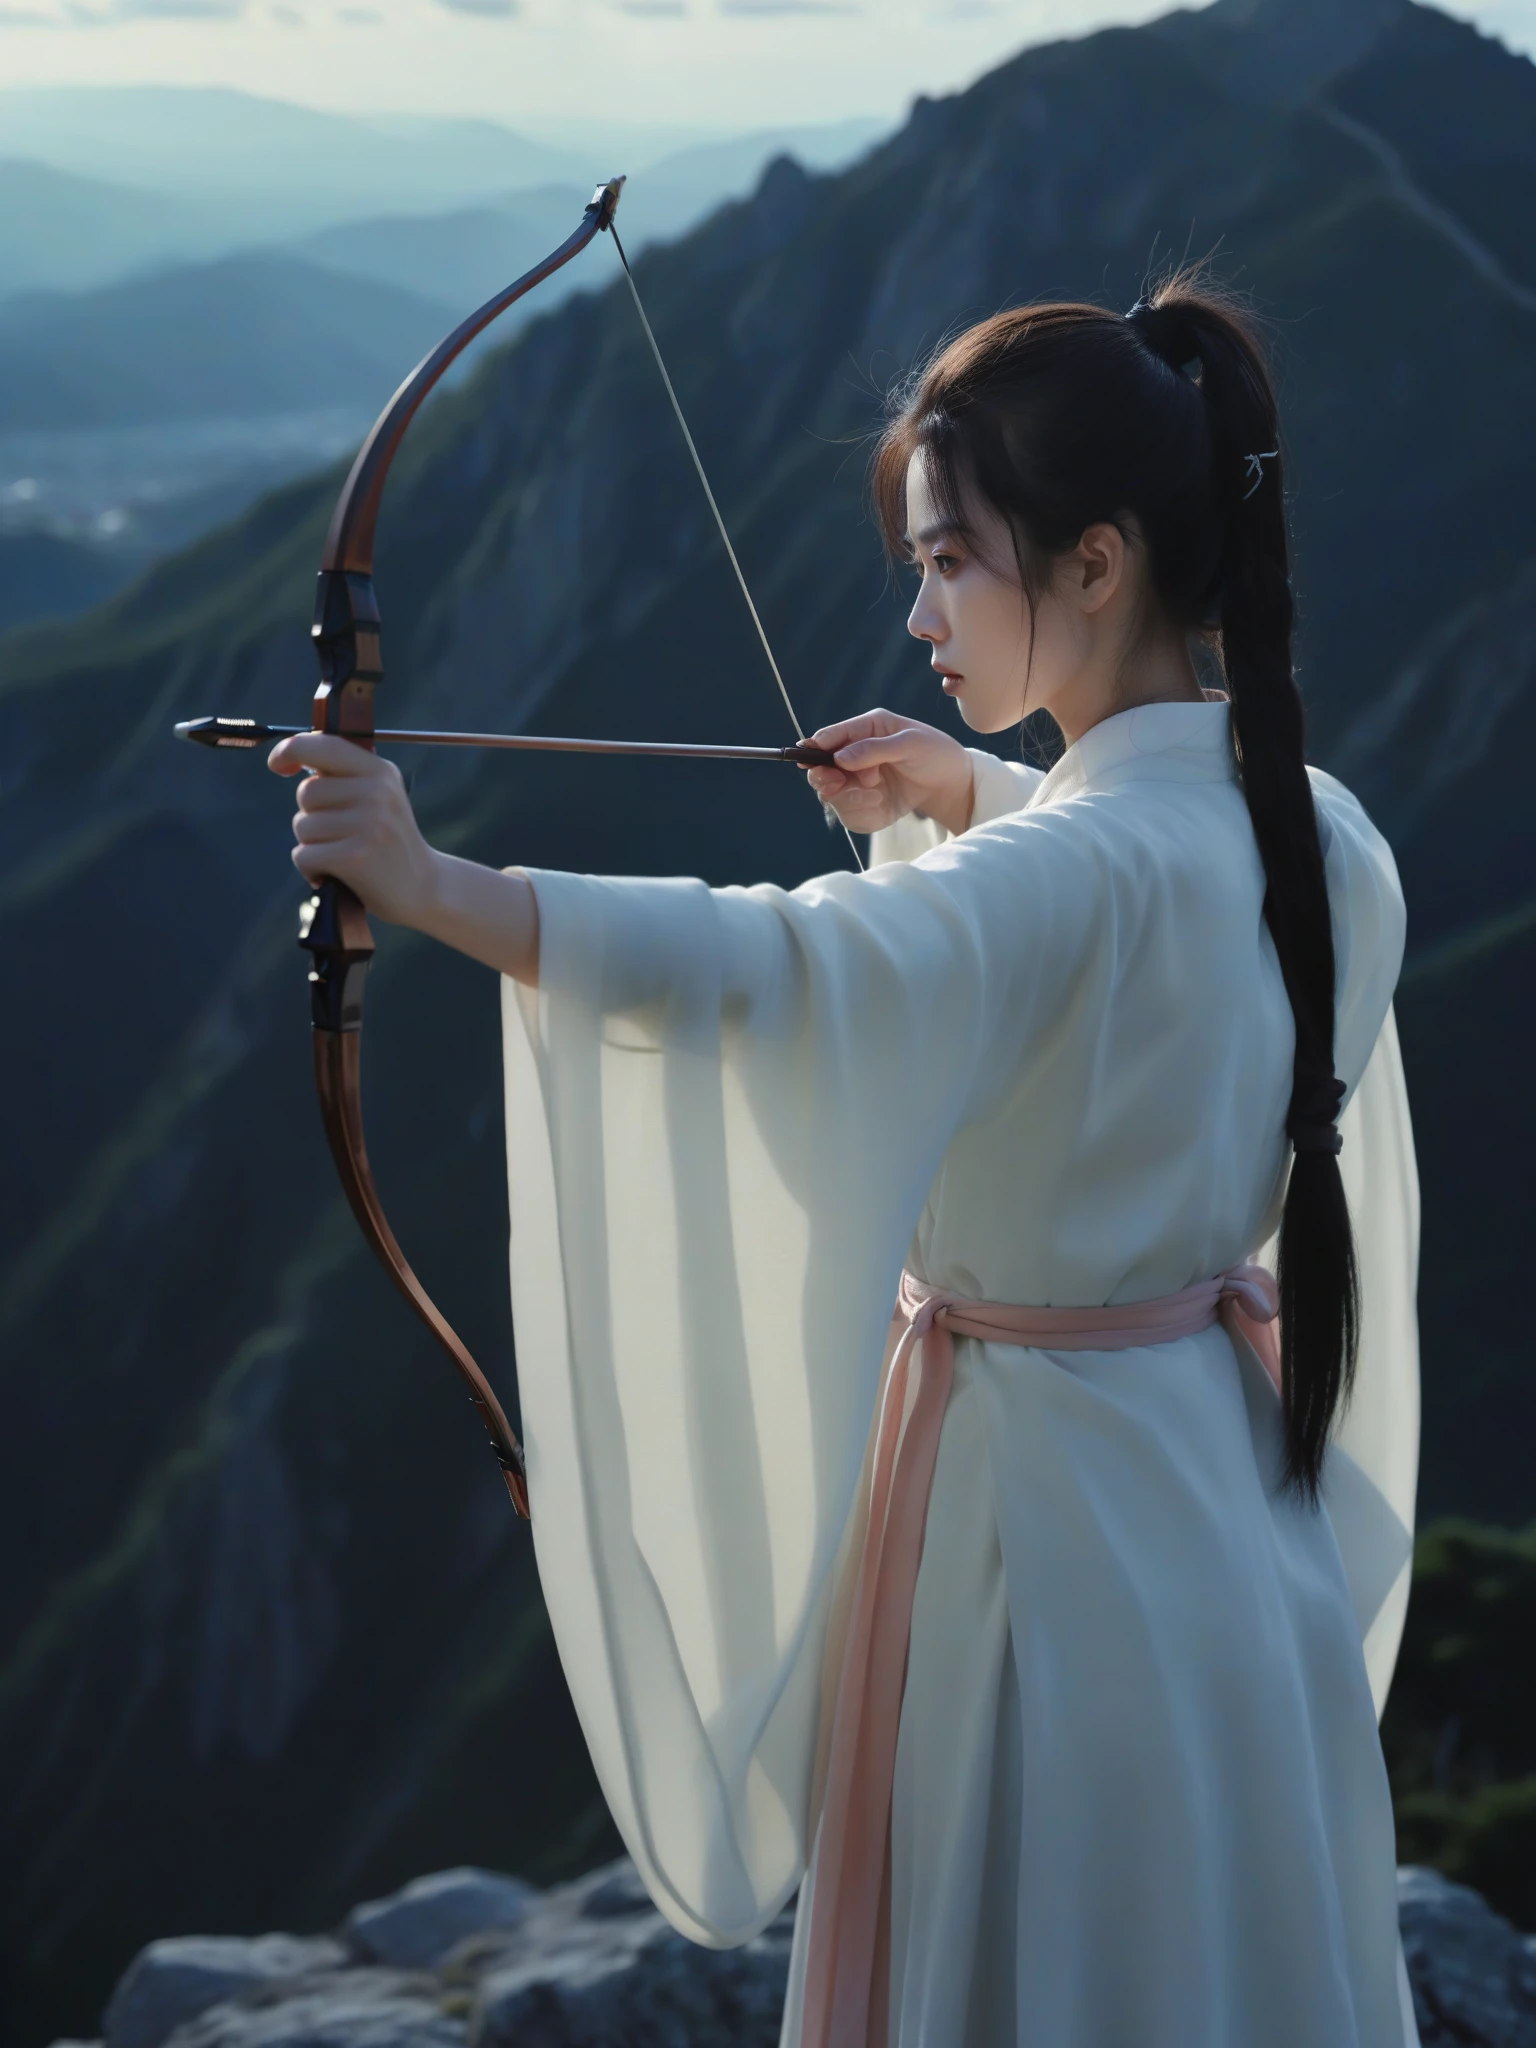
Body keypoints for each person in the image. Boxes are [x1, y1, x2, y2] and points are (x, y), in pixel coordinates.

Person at [271, 279, 1421, 2047]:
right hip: (1217, 1513)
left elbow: (789, 968)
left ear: (1098, 563)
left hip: (1038, 1540)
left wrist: (432, 890)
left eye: (953, 560)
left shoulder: (1077, 876)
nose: (919, 609)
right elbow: (1130, 918)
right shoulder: (1315, 824)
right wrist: (976, 792)